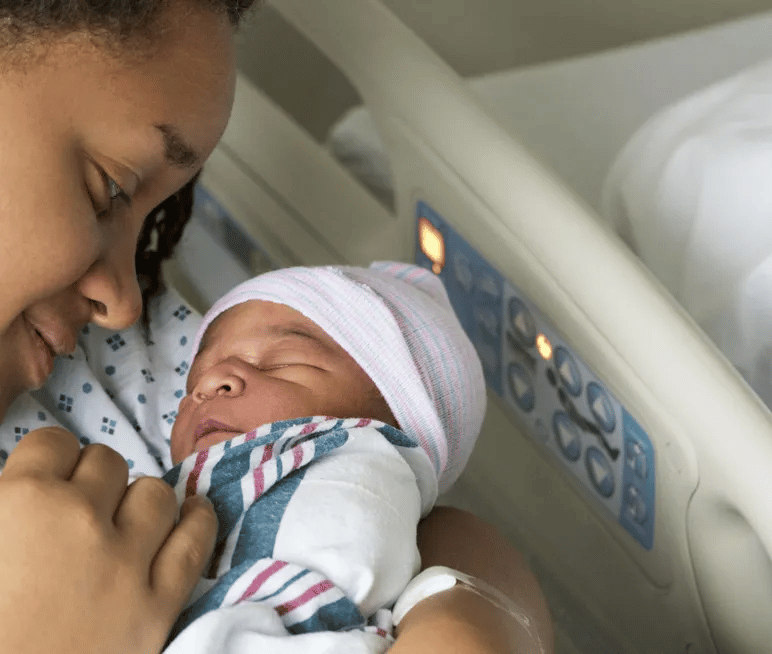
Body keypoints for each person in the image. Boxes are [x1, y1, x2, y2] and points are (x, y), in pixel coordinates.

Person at [0, 1, 553, 652]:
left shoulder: (106, 364)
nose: (120, 300)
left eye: (151, 217)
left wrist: (471, 609)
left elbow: (404, 489)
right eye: (108, 188)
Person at [158, 261, 541, 653]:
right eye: (192, 384)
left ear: (395, 428)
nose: (207, 384)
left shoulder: (357, 476)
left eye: (282, 363)